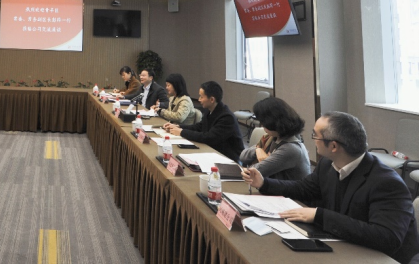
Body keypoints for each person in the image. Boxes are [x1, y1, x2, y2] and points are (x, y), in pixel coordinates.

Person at [243, 111, 419, 264]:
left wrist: (319, 215)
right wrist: (264, 183)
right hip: (343, 247)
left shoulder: (387, 183)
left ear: (334, 146)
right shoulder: (328, 164)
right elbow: (303, 188)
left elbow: (387, 238)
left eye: (315, 136)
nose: (313, 141)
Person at [164, 81, 244, 162]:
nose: (199, 99)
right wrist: (179, 127)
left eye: (201, 97)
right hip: (213, 151)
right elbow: (200, 127)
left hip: (229, 159)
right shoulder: (210, 110)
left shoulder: (227, 117)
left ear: (212, 99)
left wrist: (182, 132)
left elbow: (209, 138)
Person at [238, 97, 310, 180]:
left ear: (271, 121)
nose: (262, 126)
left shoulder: (290, 148)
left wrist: (263, 157)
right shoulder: (272, 137)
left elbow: (251, 172)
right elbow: (242, 156)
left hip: (284, 188)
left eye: (263, 122)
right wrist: (258, 150)